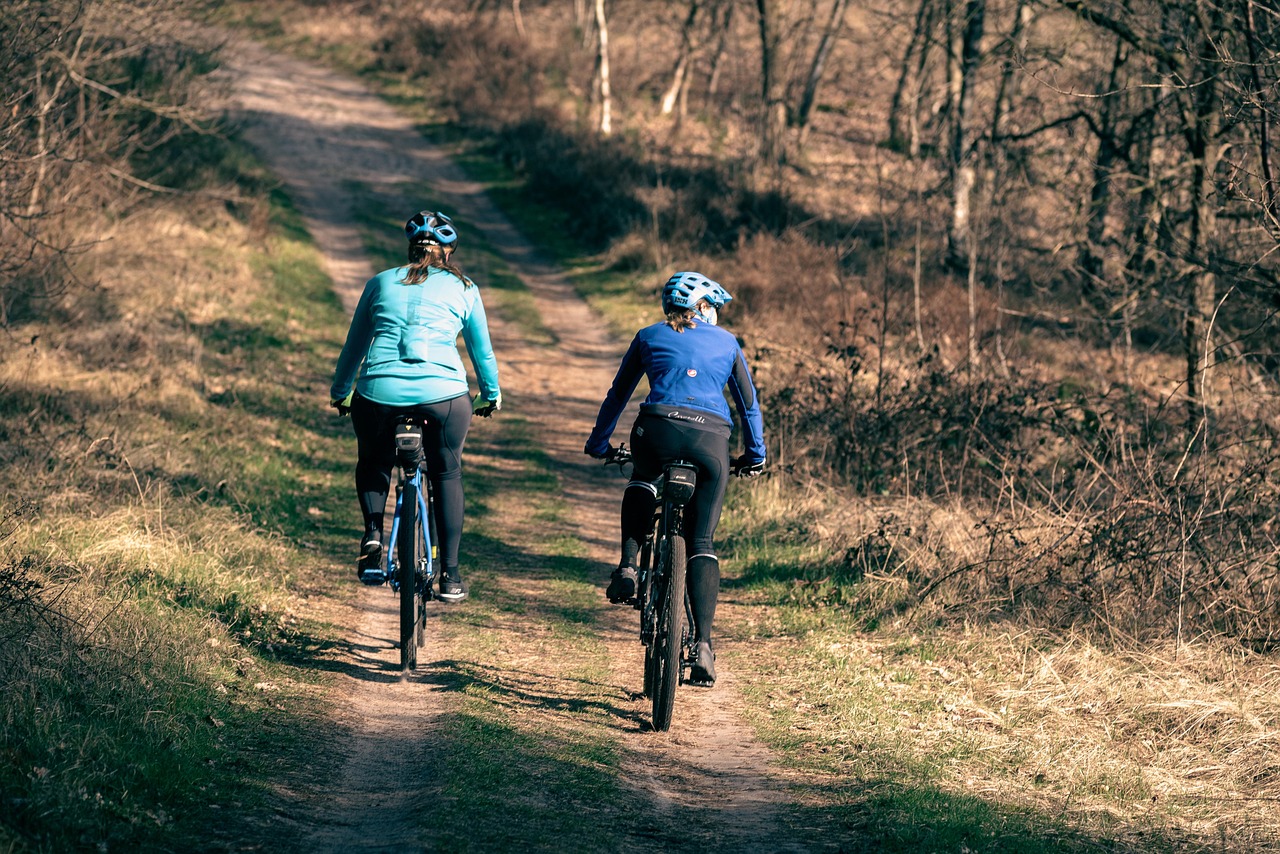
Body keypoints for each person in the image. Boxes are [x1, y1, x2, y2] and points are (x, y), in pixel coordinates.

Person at [584, 271, 766, 687]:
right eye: (712, 306)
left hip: (657, 430)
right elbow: (749, 406)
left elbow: (618, 394)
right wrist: (755, 457)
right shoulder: (728, 342)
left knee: (643, 478)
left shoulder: (648, 335)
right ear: (702, 307)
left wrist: (599, 443)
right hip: (711, 442)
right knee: (701, 541)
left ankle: (628, 567)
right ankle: (703, 645)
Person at [330, 210, 501, 603]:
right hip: (444, 397)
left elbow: (353, 348)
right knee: (446, 472)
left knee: (374, 462)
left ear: (411, 248)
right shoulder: (465, 288)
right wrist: (490, 395)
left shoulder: (379, 282)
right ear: (447, 253)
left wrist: (341, 392)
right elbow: (483, 353)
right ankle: (451, 575)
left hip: (379, 394)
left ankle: (373, 536)